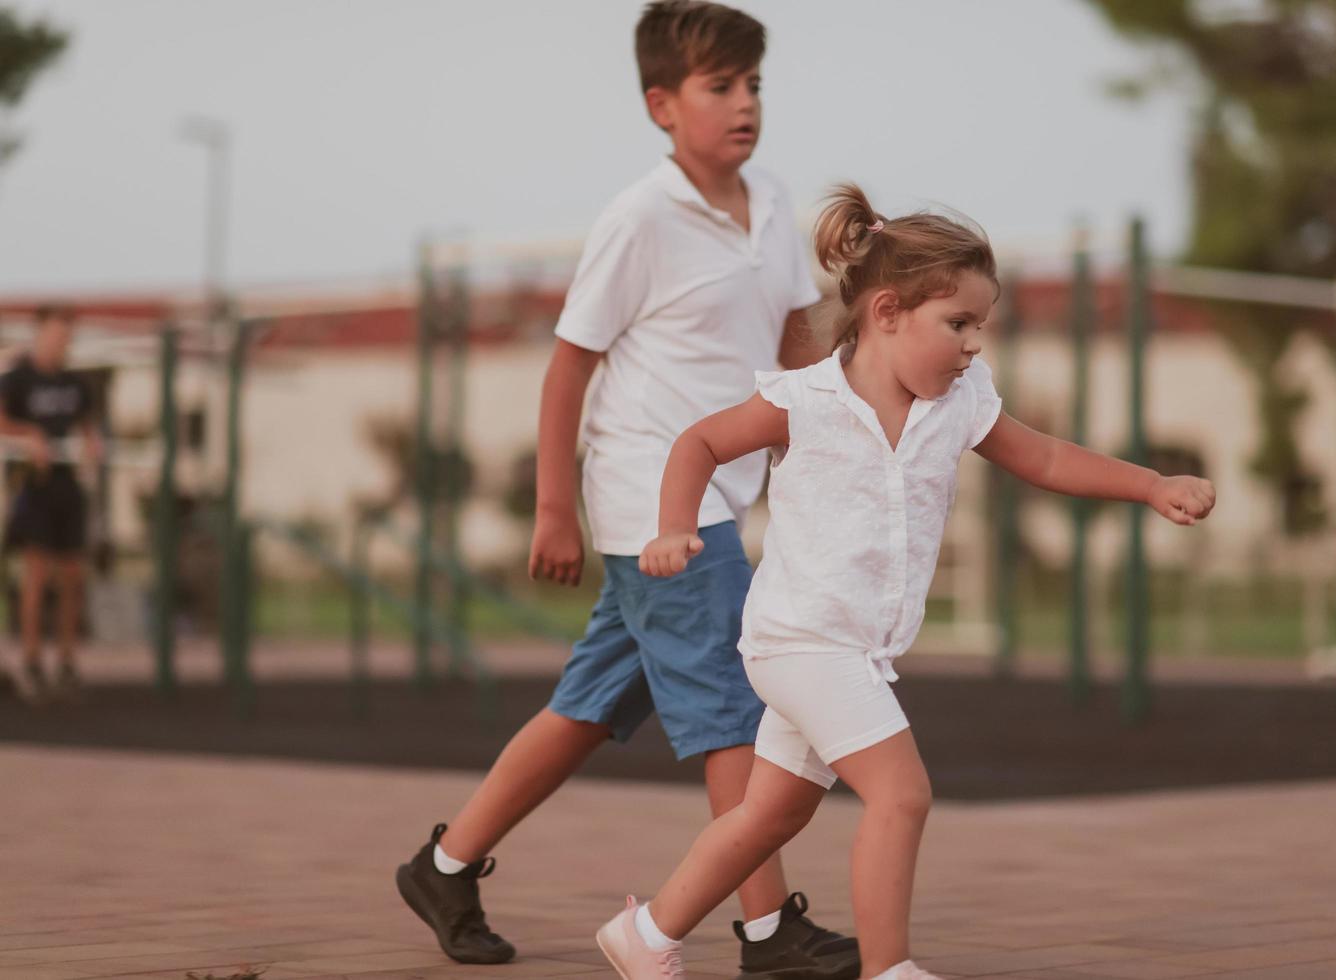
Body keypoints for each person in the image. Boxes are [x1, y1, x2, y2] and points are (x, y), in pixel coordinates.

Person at [596, 185, 1218, 980]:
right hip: (800, 640)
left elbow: (1051, 459)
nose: (972, 347)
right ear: (886, 313)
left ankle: (646, 934)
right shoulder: (806, 400)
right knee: (901, 794)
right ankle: (889, 971)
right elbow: (699, 442)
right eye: (957, 324)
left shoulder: (961, 406)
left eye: (979, 329)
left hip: (850, 648)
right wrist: (673, 525)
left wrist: (1149, 484)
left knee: (769, 814)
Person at [394, 4, 858, 976]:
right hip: (653, 497)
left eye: (755, 85)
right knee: (735, 701)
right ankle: (767, 929)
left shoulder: (772, 203)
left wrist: (827, 404)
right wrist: (554, 505)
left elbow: (787, 343)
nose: (744, 104)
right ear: (661, 103)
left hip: (721, 491)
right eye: (719, 86)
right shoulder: (638, 217)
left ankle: (444, 863)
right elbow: (568, 366)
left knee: (590, 702)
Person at [0, 305, 102, 704]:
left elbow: (87, 424)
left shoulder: (75, 383)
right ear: (39, 334)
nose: (62, 344)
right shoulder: (18, 379)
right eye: (56, 336)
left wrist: (91, 441)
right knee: (36, 573)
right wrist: (27, 435)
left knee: (73, 575)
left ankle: (66, 659)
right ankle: (31, 659)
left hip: (67, 486)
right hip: (34, 485)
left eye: (67, 337)